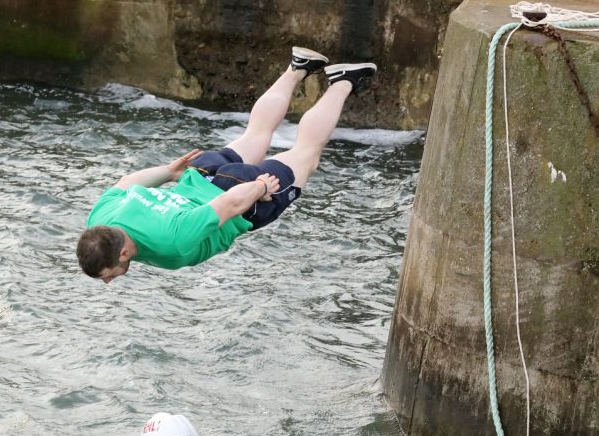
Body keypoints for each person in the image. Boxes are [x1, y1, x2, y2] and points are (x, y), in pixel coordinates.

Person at [77, 46, 377, 283]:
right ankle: (298, 66)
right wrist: (169, 172)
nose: (109, 282)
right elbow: (127, 183)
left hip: (242, 193)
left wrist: (260, 187)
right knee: (256, 134)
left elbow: (229, 206)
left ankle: (344, 81)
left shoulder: (173, 241)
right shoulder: (98, 220)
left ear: (124, 252)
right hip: (202, 173)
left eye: (109, 275)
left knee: (307, 154)